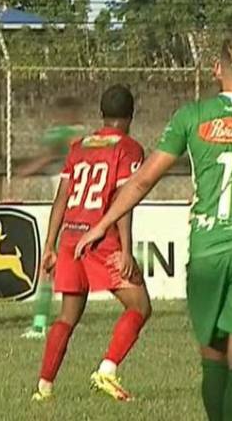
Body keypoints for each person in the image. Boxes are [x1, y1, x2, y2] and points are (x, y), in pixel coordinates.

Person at [75, 32, 232, 421]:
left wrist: (102, 225)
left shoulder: (192, 116)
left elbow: (141, 181)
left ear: (216, 69)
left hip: (206, 251)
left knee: (214, 361)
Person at [32, 85, 150, 402]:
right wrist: (126, 251)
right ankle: (107, 370)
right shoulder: (129, 148)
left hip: (71, 235)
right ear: (131, 115)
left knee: (67, 317)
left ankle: (44, 388)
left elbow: (61, 198)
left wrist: (50, 245)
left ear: (102, 114)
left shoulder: (80, 145)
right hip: (101, 239)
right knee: (139, 306)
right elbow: (124, 202)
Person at [18, 96, 86, 339]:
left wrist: (23, 172)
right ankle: (68, 316)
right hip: (79, 204)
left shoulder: (63, 135)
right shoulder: (84, 135)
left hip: (65, 202)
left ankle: (40, 323)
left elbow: (47, 157)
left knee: (48, 260)